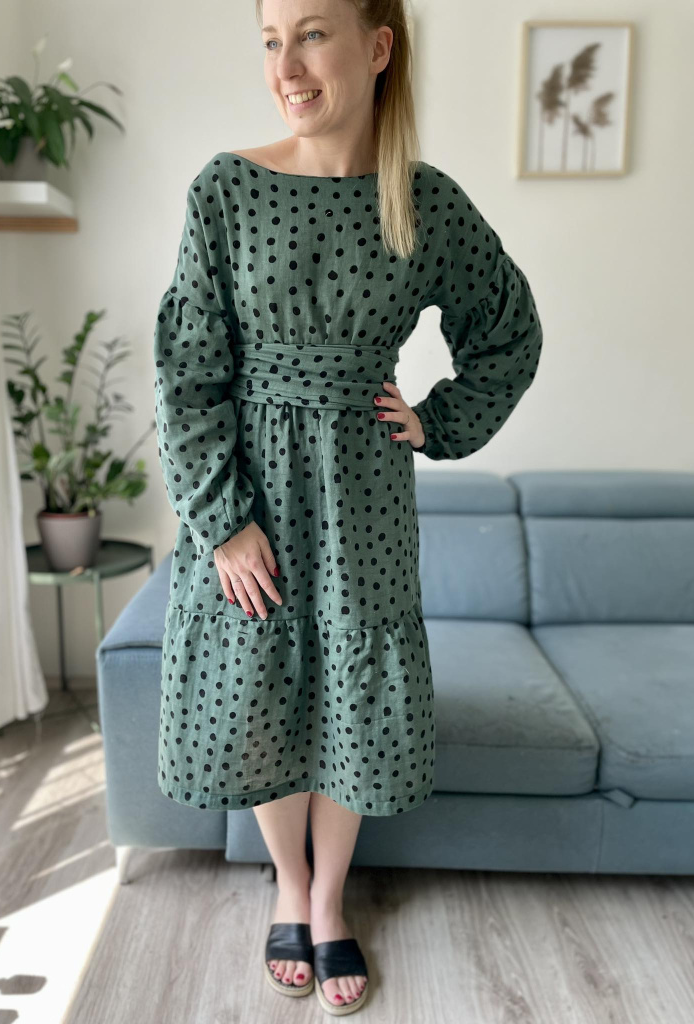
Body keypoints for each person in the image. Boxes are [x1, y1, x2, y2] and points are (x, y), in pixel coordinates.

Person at [151, 0, 543, 1013]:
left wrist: (436, 421)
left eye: (312, 33)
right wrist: (221, 519)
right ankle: (288, 883)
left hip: (362, 495)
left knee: (351, 690)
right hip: (251, 496)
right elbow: (187, 371)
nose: (286, 64)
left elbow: (508, 331)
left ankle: (329, 901)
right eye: (270, 39)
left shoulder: (424, 202)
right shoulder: (225, 190)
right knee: (262, 683)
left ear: (377, 47)